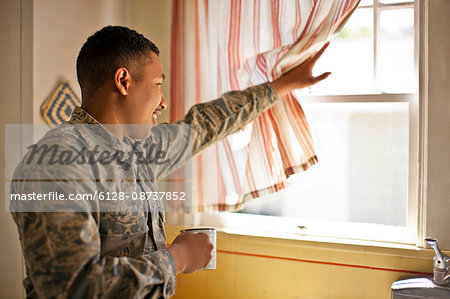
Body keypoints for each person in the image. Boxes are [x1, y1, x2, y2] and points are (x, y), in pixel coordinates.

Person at [10, 26, 330, 298]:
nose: (163, 102)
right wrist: (177, 259)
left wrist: (282, 86)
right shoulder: (54, 165)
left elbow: (203, 125)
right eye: (158, 84)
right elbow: (71, 288)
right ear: (123, 81)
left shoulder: (139, 150)